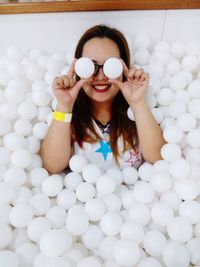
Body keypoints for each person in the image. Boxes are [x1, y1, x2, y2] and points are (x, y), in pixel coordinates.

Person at [40, 24, 165, 174]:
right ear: (78, 69)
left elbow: (160, 160)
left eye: (110, 66)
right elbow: (52, 166)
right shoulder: (67, 115)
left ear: (123, 69)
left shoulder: (136, 114)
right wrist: (64, 106)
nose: (100, 76)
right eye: (90, 67)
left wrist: (137, 103)